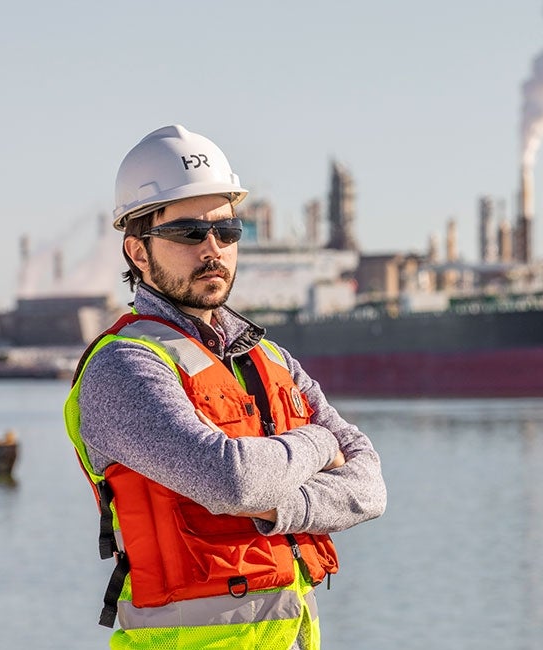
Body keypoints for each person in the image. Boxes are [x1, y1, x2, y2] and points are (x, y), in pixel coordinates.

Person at [64, 124, 387, 650]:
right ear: (138, 253)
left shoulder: (269, 356)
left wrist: (274, 503)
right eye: (189, 233)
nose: (213, 249)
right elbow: (232, 483)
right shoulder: (124, 367)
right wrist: (320, 444)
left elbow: (370, 488)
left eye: (227, 232)